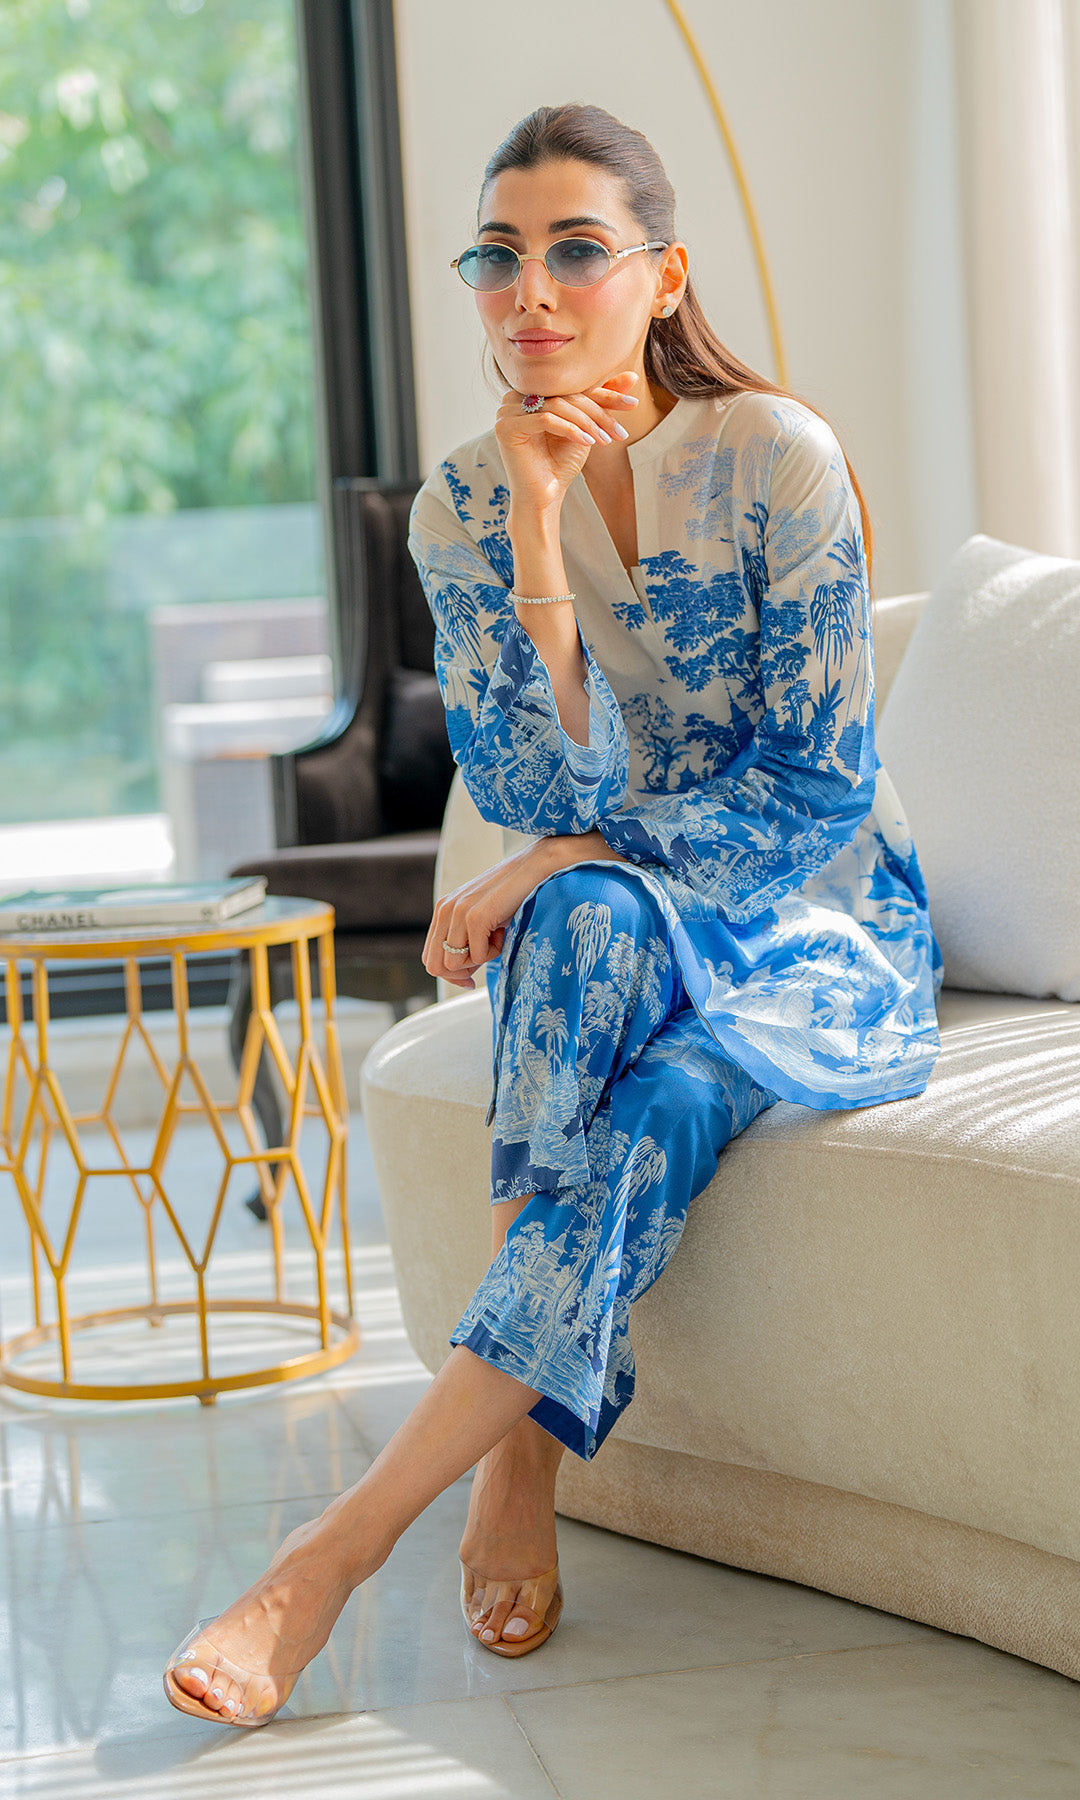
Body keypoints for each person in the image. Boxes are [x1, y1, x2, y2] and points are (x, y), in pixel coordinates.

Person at [163, 100, 943, 1727]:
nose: (531, 290)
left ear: (664, 277)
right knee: (586, 931)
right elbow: (531, 781)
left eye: (578, 250)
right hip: (621, 922)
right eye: (498, 256)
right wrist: (534, 522)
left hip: (809, 925)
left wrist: (568, 855)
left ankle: (344, 1542)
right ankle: (511, 1454)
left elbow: (818, 785)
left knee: (621, 1016)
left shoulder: (776, 457)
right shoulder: (461, 504)